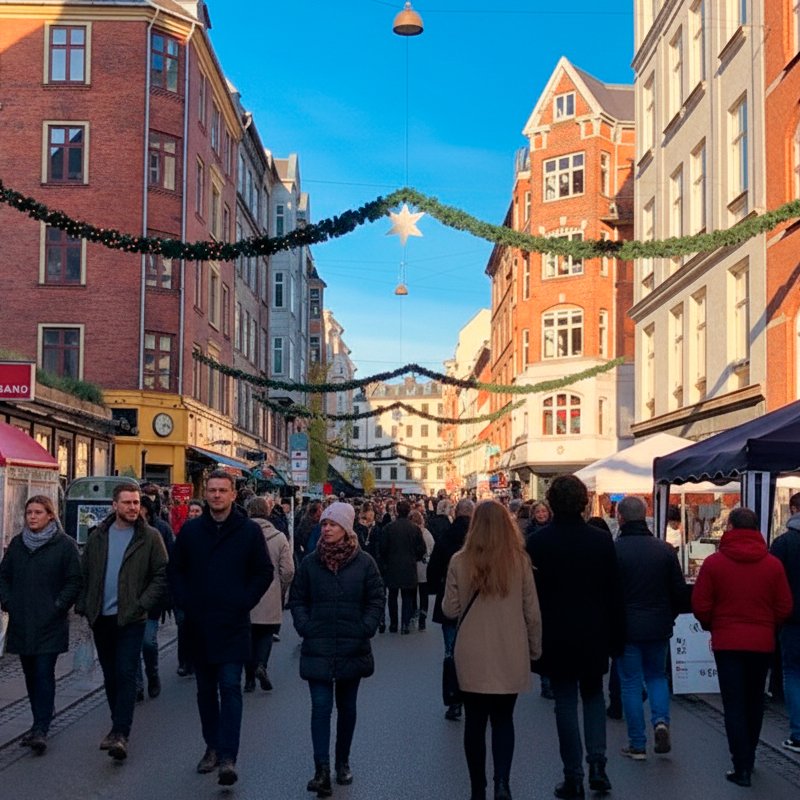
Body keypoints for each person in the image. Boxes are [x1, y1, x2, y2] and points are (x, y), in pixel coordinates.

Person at [169, 470, 273, 787]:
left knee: (230, 688)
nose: (216, 495)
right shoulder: (191, 532)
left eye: (222, 490)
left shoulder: (247, 532)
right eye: (212, 490)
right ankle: (212, 746)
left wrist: (244, 600)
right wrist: (186, 603)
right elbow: (175, 572)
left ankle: (228, 755)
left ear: (232, 494)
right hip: (200, 626)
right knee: (205, 692)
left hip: (233, 624)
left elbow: (263, 571)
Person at [526, 475, 622, 799]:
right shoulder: (600, 540)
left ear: (551, 503)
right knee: (594, 696)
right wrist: (617, 636)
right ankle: (598, 764)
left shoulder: (538, 543)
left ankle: (574, 775)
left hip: (556, 633)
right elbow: (614, 592)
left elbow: (532, 597)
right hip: (595, 631)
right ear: (583, 502)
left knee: (565, 702)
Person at [442, 501, 542, 800]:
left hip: (471, 651)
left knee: (474, 723)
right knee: (503, 720)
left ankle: (477, 788)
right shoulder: (519, 561)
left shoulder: (459, 561)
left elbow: (450, 608)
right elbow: (531, 611)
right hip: (509, 649)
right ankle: (502, 783)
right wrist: (534, 649)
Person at [289, 502, 384, 797]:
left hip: (351, 645)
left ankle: (342, 761)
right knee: (320, 708)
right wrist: (305, 625)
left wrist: (365, 627)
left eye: (333, 524)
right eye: (325, 524)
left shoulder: (364, 562)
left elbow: (376, 598)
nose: (326, 528)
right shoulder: (311, 562)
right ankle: (321, 769)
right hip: (317, 644)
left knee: (346, 708)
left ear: (346, 528)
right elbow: (297, 598)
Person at [692, 507, 793, 787]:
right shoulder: (772, 564)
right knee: (754, 701)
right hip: (761, 642)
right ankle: (750, 756)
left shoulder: (715, 563)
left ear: (732, 528)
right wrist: (768, 625)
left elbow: (700, 604)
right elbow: (785, 605)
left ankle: (741, 764)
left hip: (728, 642)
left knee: (734, 703)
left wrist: (713, 624)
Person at [75, 482, 168, 761]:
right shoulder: (98, 536)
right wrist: (84, 605)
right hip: (101, 617)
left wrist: (142, 604)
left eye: (136, 503)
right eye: (127, 503)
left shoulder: (149, 537)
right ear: (114, 506)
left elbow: (161, 574)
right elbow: (86, 572)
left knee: (126, 672)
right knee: (110, 674)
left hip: (131, 617)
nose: (132, 507)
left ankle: (120, 733)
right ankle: (117, 723)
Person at [0, 495, 82, 755]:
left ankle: (40, 728)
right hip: (22, 620)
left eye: (38, 512)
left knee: (44, 672)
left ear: (50, 515)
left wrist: (58, 605)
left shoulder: (64, 545)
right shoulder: (17, 544)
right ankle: (40, 718)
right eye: (29, 513)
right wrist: (8, 601)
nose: (32, 517)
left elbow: (74, 581)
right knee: (30, 673)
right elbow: (4, 576)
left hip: (50, 622)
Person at [614, 496, 687, 759]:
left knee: (631, 684)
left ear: (620, 517)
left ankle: (637, 743)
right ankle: (660, 721)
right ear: (645, 516)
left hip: (627, 627)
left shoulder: (616, 550)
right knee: (657, 677)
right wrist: (669, 615)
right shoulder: (664, 549)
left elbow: (608, 594)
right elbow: (679, 591)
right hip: (658, 625)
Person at [428, 497, 475, 721]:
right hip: (476, 604)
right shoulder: (479, 538)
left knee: (451, 652)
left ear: (456, 513)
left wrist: (434, 586)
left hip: (450, 600)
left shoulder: (446, 535)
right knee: (475, 650)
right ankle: (475, 694)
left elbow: (435, 566)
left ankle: (454, 700)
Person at [244, 497, 294, 692]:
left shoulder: (241, 534)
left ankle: (248, 678)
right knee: (265, 634)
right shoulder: (279, 537)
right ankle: (261, 665)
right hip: (270, 593)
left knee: (247, 635)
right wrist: (281, 587)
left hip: (245, 594)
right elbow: (289, 570)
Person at [135, 494, 174, 702]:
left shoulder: (161, 531)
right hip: (128, 600)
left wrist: (165, 594)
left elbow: (168, 566)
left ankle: (152, 673)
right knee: (131, 645)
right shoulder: (122, 530)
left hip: (153, 598)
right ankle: (137, 685)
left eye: (139, 508)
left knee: (148, 641)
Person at [771, 492, 800, 752]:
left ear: (793, 509)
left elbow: (772, 585)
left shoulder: (782, 544)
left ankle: (798, 733)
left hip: (792, 620)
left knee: (793, 673)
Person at [379, 500, 426, 635]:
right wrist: (414, 557)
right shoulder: (415, 529)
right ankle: (405, 624)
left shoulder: (388, 528)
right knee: (407, 596)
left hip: (392, 565)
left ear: (396, 511)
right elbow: (421, 548)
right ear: (409, 511)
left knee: (392, 595)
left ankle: (394, 624)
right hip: (409, 566)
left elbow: (382, 548)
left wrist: (386, 560)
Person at [355, 501, 386, 632]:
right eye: (369, 512)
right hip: (361, 564)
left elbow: (381, 546)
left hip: (376, 563)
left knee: (377, 593)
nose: (371, 514)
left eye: (372, 512)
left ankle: (380, 618)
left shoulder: (378, 528)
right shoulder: (357, 529)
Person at [409, 509, 435, 632]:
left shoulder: (409, 533)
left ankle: (414, 613)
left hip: (412, 567)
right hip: (424, 567)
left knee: (412, 593)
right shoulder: (426, 533)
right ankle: (423, 619)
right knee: (424, 594)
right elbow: (432, 548)